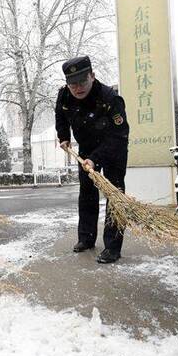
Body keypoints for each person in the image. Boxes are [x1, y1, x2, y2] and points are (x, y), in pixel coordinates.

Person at [55, 56, 129, 264]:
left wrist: (95, 159)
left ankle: (113, 247)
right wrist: (64, 137)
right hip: (87, 146)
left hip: (114, 147)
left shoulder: (109, 98)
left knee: (114, 194)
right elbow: (60, 115)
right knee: (86, 192)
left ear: (92, 76)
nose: (77, 88)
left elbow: (118, 135)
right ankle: (86, 238)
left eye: (82, 82)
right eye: (73, 84)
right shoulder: (64, 95)